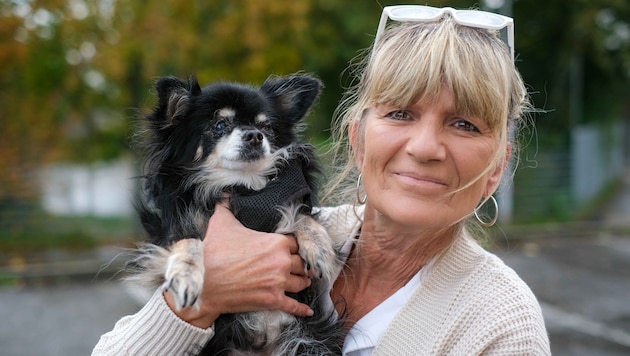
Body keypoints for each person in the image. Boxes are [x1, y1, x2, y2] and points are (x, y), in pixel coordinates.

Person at [94, 5, 550, 355]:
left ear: (497, 166)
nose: (425, 147)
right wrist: (200, 301)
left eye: (465, 124)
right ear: (357, 138)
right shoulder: (278, 228)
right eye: (400, 113)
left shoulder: (502, 323)